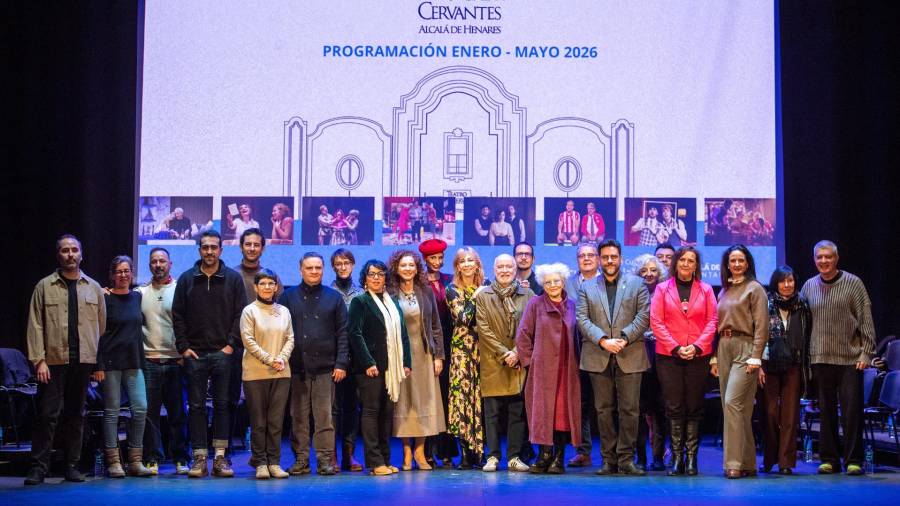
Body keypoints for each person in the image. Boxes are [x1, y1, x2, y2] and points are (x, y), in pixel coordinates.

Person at [25, 235, 106, 485]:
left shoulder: (93, 287)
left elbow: (101, 328)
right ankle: (39, 467)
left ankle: (72, 466)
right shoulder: (44, 286)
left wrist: (96, 361)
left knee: (76, 415)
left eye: (74, 250)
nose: (70, 254)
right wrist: (39, 360)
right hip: (53, 361)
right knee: (47, 415)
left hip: (83, 361)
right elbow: (35, 325)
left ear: (81, 254)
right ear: (58, 255)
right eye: (64, 250)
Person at [173, 229, 247, 478]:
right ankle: (199, 458)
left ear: (221, 250)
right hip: (194, 354)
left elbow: (240, 314)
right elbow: (178, 315)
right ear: (199, 250)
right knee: (195, 407)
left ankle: (220, 458)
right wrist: (183, 347)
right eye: (205, 247)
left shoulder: (233, 279)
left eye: (214, 247)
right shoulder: (187, 279)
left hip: (223, 353)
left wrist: (230, 345)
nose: (209, 251)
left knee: (223, 405)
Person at [799, 240, 876, 475]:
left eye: (828, 256)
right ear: (814, 260)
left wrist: (866, 352)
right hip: (820, 359)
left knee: (852, 413)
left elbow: (866, 320)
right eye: (819, 257)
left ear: (836, 258)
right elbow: (802, 324)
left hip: (850, 359)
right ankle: (829, 459)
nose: (824, 261)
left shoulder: (853, 283)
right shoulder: (809, 286)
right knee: (826, 412)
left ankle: (854, 460)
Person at [576, 239, 650, 476]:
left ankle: (626, 459)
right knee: (603, 410)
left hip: (630, 352)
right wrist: (603, 340)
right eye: (605, 257)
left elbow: (643, 316)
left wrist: (624, 339)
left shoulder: (637, 284)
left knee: (630, 410)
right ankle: (608, 460)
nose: (609, 261)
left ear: (621, 258)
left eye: (613, 257)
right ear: (599, 259)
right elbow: (582, 319)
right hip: (598, 354)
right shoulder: (587, 287)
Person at [650, 247, 717, 476]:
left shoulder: (706, 290)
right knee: (674, 407)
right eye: (683, 260)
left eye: (691, 260)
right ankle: (677, 458)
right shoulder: (662, 289)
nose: (686, 264)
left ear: (696, 265)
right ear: (676, 263)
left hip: (698, 355)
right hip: (669, 356)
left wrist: (696, 346)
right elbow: (656, 321)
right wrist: (676, 347)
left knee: (694, 407)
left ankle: (692, 460)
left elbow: (712, 321)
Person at [279, 252, 349, 476]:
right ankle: (301, 460)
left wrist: (341, 363)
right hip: (296, 367)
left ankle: (324, 459)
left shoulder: (333, 298)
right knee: (298, 417)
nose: (314, 271)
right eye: (309, 268)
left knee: (324, 417)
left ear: (323, 270)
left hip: (326, 368)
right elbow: (280, 332)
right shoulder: (287, 297)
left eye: (318, 268)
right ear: (301, 270)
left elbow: (343, 333)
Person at [348, 260, 412, 475]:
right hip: (370, 368)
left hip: (391, 368)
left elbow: (402, 333)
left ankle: (385, 459)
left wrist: (406, 362)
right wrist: (368, 362)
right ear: (365, 278)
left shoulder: (392, 302)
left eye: (380, 274)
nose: (376, 278)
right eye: (372, 274)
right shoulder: (360, 302)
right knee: (371, 412)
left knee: (386, 414)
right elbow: (355, 334)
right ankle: (375, 462)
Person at [516, 263, 582, 474]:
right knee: (543, 413)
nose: (552, 285)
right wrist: (530, 362)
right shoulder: (535, 304)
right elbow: (522, 335)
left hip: (567, 369)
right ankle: (544, 455)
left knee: (562, 414)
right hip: (542, 370)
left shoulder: (573, 305)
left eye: (556, 281)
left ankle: (558, 457)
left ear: (563, 282)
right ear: (543, 285)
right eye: (548, 282)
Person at [386, 250, 446, 471]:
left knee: (424, 400)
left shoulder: (425, 291)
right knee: (404, 401)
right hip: (400, 355)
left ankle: (420, 451)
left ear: (417, 268)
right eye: (403, 265)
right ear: (396, 268)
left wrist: (439, 356)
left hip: (424, 353)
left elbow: (435, 326)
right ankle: (406, 451)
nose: (408, 269)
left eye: (411, 265)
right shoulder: (389, 292)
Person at [711, 244, 767, 479]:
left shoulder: (755, 289)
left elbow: (762, 326)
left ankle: (733, 463)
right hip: (724, 347)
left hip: (746, 347)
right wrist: (714, 356)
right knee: (736, 410)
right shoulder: (723, 291)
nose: (736, 264)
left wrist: (757, 356)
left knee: (733, 403)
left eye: (740, 260)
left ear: (747, 263)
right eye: (732, 260)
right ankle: (749, 463)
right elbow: (717, 325)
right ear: (727, 264)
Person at [475, 254, 534, 472]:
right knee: (491, 413)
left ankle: (514, 457)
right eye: (500, 267)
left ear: (515, 269)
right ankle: (492, 456)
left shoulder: (528, 294)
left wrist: (516, 352)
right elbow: (483, 329)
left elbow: (531, 328)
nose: (505, 270)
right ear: (494, 269)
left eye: (509, 266)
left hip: (518, 361)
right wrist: (504, 353)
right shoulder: (483, 295)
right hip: (493, 360)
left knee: (517, 412)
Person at [95, 256, 153, 478]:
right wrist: (98, 365)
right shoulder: (105, 298)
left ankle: (135, 461)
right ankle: (114, 463)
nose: (123, 275)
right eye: (119, 271)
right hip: (110, 363)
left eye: (127, 270)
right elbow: (98, 334)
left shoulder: (137, 297)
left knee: (141, 408)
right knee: (112, 412)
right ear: (112, 274)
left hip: (134, 361)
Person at [232, 228, 283, 459]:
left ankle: (264, 455)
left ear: (262, 248)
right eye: (248, 244)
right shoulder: (232, 275)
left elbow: (279, 314)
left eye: (256, 244)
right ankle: (228, 451)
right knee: (233, 401)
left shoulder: (272, 277)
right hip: (236, 347)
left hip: (268, 351)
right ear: (241, 246)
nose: (252, 248)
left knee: (267, 409)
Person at [138, 248, 189, 475]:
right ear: (149, 265)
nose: (158, 265)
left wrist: (184, 354)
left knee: (178, 414)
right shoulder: (140, 292)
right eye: (154, 261)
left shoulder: (180, 289)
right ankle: (152, 458)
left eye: (162, 261)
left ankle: (181, 458)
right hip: (149, 361)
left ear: (170, 264)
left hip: (176, 362)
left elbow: (189, 324)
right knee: (151, 415)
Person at [240, 269, 295, 479]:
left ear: (276, 287)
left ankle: (274, 462)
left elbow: (290, 338)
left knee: (276, 421)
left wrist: (282, 358)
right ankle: (260, 462)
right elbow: (248, 340)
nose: (267, 287)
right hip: (256, 373)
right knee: (259, 421)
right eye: (262, 283)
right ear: (255, 287)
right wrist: (270, 359)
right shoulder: (249, 311)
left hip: (281, 372)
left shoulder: (284, 311)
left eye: (271, 283)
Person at [759, 265, 811, 475]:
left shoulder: (803, 305)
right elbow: (758, 334)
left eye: (790, 280)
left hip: (794, 364)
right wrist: (758, 364)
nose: (787, 285)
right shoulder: (766, 303)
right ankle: (770, 458)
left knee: (789, 415)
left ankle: (786, 462)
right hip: (769, 362)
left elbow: (808, 335)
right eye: (782, 281)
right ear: (776, 283)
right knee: (770, 413)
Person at [446, 247, 488, 469]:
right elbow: (463, 318)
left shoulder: (487, 287)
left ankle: (479, 451)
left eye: (471, 260)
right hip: (462, 351)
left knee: (479, 399)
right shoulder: (452, 290)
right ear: (457, 266)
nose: (467, 264)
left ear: (477, 264)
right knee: (462, 399)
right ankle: (465, 453)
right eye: (462, 261)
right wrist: (477, 294)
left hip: (484, 349)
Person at [419, 239, 459, 466]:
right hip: (428, 343)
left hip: (451, 342)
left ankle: (446, 451)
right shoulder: (418, 281)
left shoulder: (449, 280)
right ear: (425, 260)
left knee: (446, 398)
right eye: (432, 258)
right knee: (429, 398)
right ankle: (426, 451)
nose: (437, 261)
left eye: (440, 257)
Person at [634, 253, 669, 472]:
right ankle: (640, 457)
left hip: (661, 353)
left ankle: (658, 456)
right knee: (638, 408)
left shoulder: (666, 292)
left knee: (659, 408)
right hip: (637, 353)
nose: (649, 274)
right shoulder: (632, 292)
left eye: (653, 270)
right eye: (644, 270)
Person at [330, 248, 364, 471]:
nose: (343, 267)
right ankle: (331, 455)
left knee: (352, 408)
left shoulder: (361, 293)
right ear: (333, 267)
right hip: (332, 358)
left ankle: (348, 455)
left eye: (346, 263)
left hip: (356, 358)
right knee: (332, 408)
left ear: (352, 265)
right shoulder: (327, 292)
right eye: (338, 263)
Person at [565, 245, 599, 468]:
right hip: (576, 349)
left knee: (608, 404)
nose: (586, 259)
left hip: (604, 347)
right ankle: (583, 451)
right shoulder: (567, 283)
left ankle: (614, 453)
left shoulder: (608, 281)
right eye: (582, 256)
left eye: (590, 255)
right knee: (581, 402)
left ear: (598, 259)